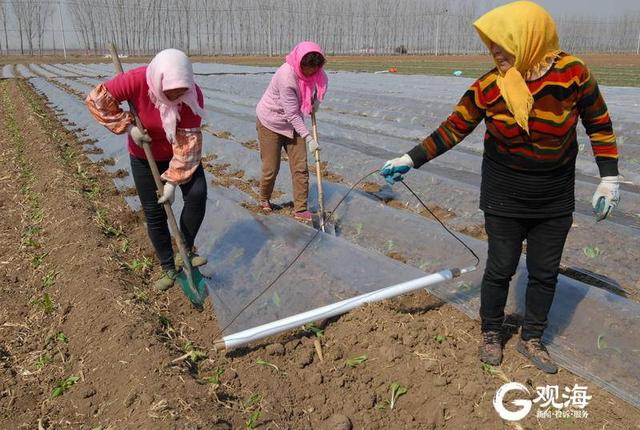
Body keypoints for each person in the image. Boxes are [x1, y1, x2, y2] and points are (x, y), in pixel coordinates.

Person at [380, 1, 620, 374]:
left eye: (502, 43)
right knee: (501, 266)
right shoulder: (489, 86)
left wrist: (609, 177)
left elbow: (599, 123)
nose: (494, 51)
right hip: (504, 191)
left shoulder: (573, 74)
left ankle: (533, 338)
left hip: (554, 194)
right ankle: (491, 332)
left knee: (544, 271)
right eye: (490, 44)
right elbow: (453, 128)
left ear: (528, 39)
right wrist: (411, 159)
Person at [86, 48, 208, 291]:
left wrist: (172, 182)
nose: (175, 95)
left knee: (197, 194)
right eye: (170, 90)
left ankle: (184, 248)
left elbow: (188, 145)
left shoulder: (193, 97)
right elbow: (97, 101)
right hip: (144, 156)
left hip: (177, 153)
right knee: (154, 212)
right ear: (159, 79)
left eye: (181, 91)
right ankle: (167, 267)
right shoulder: (135, 80)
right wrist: (128, 126)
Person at [256, 41, 328, 222]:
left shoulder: (318, 73)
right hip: (271, 122)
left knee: (301, 167)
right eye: (307, 68)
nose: (311, 72)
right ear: (299, 62)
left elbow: (323, 82)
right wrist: (309, 138)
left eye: (314, 68)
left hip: (294, 124)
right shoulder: (286, 76)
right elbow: (292, 114)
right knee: (271, 168)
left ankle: (300, 208)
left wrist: (317, 100)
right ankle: (264, 198)